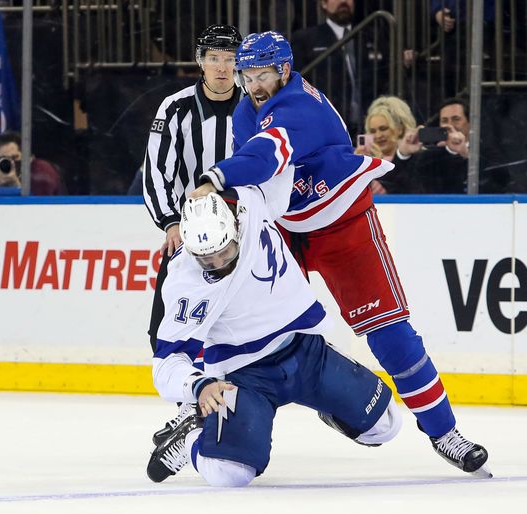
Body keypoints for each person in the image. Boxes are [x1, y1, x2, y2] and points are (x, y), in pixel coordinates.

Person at [188, 31, 490, 478]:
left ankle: (445, 433)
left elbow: (265, 157)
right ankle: (197, 402)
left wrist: (214, 177)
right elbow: (256, 178)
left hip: (342, 223)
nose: (252, 84)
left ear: (285, 70)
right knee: (237, 314)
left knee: (390, 334)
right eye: (245, 74)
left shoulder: (299, 108)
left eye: (261, 74)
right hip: (286, 229)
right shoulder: (244, 107)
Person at [147, 174, 408, 486]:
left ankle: (329, 406)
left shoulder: (252, 204)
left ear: (234, 227)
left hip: (305, 351)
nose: (218, 263)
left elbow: (277, 146)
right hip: (244, 377)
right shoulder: (185, 283)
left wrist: (216, 176)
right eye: (206, 258)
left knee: (386, 425)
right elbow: (166, 363)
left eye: (224, 252)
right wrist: (200, 386)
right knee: (229, 475)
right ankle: (191, 436)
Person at [141, 24, 243, 444]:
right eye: (214, 58)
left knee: (241, 323)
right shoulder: (176, 107)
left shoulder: (254, 106)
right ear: (200, 61)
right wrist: (171, 222)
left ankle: (211, 405)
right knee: (164, 328)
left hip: (246, 236)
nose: (222, 67)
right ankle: (190, 401)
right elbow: (155, 171)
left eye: (230, 58)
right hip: (192, 237)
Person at [290, 0, 388, 136]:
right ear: (324, 4)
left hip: (369, 124)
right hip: (327, 125)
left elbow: (385, 78)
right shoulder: (305, 39)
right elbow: (297, 84)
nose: (344, 2)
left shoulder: (370, 36)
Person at [396, 97, 511, 193]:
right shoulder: (430, 155)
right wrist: (403, 155)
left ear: (470, 123)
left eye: (456, 119)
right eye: (444, 121)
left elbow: (503, 180)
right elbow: (395, 185)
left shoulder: (484, 151)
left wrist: (465, 154)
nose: (449, 125)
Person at [359, 96, 419, 195]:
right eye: (373, 131)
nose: (378, 135)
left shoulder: (413, 158)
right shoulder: (367, 162)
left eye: (383, 129)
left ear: (400, 129)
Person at [0, 132, 65, 196]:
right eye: (4, 159)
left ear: (29, 158)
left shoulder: (41, 170)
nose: (10, 163)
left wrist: (14, 183)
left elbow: (38, 210)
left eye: (14, 158)